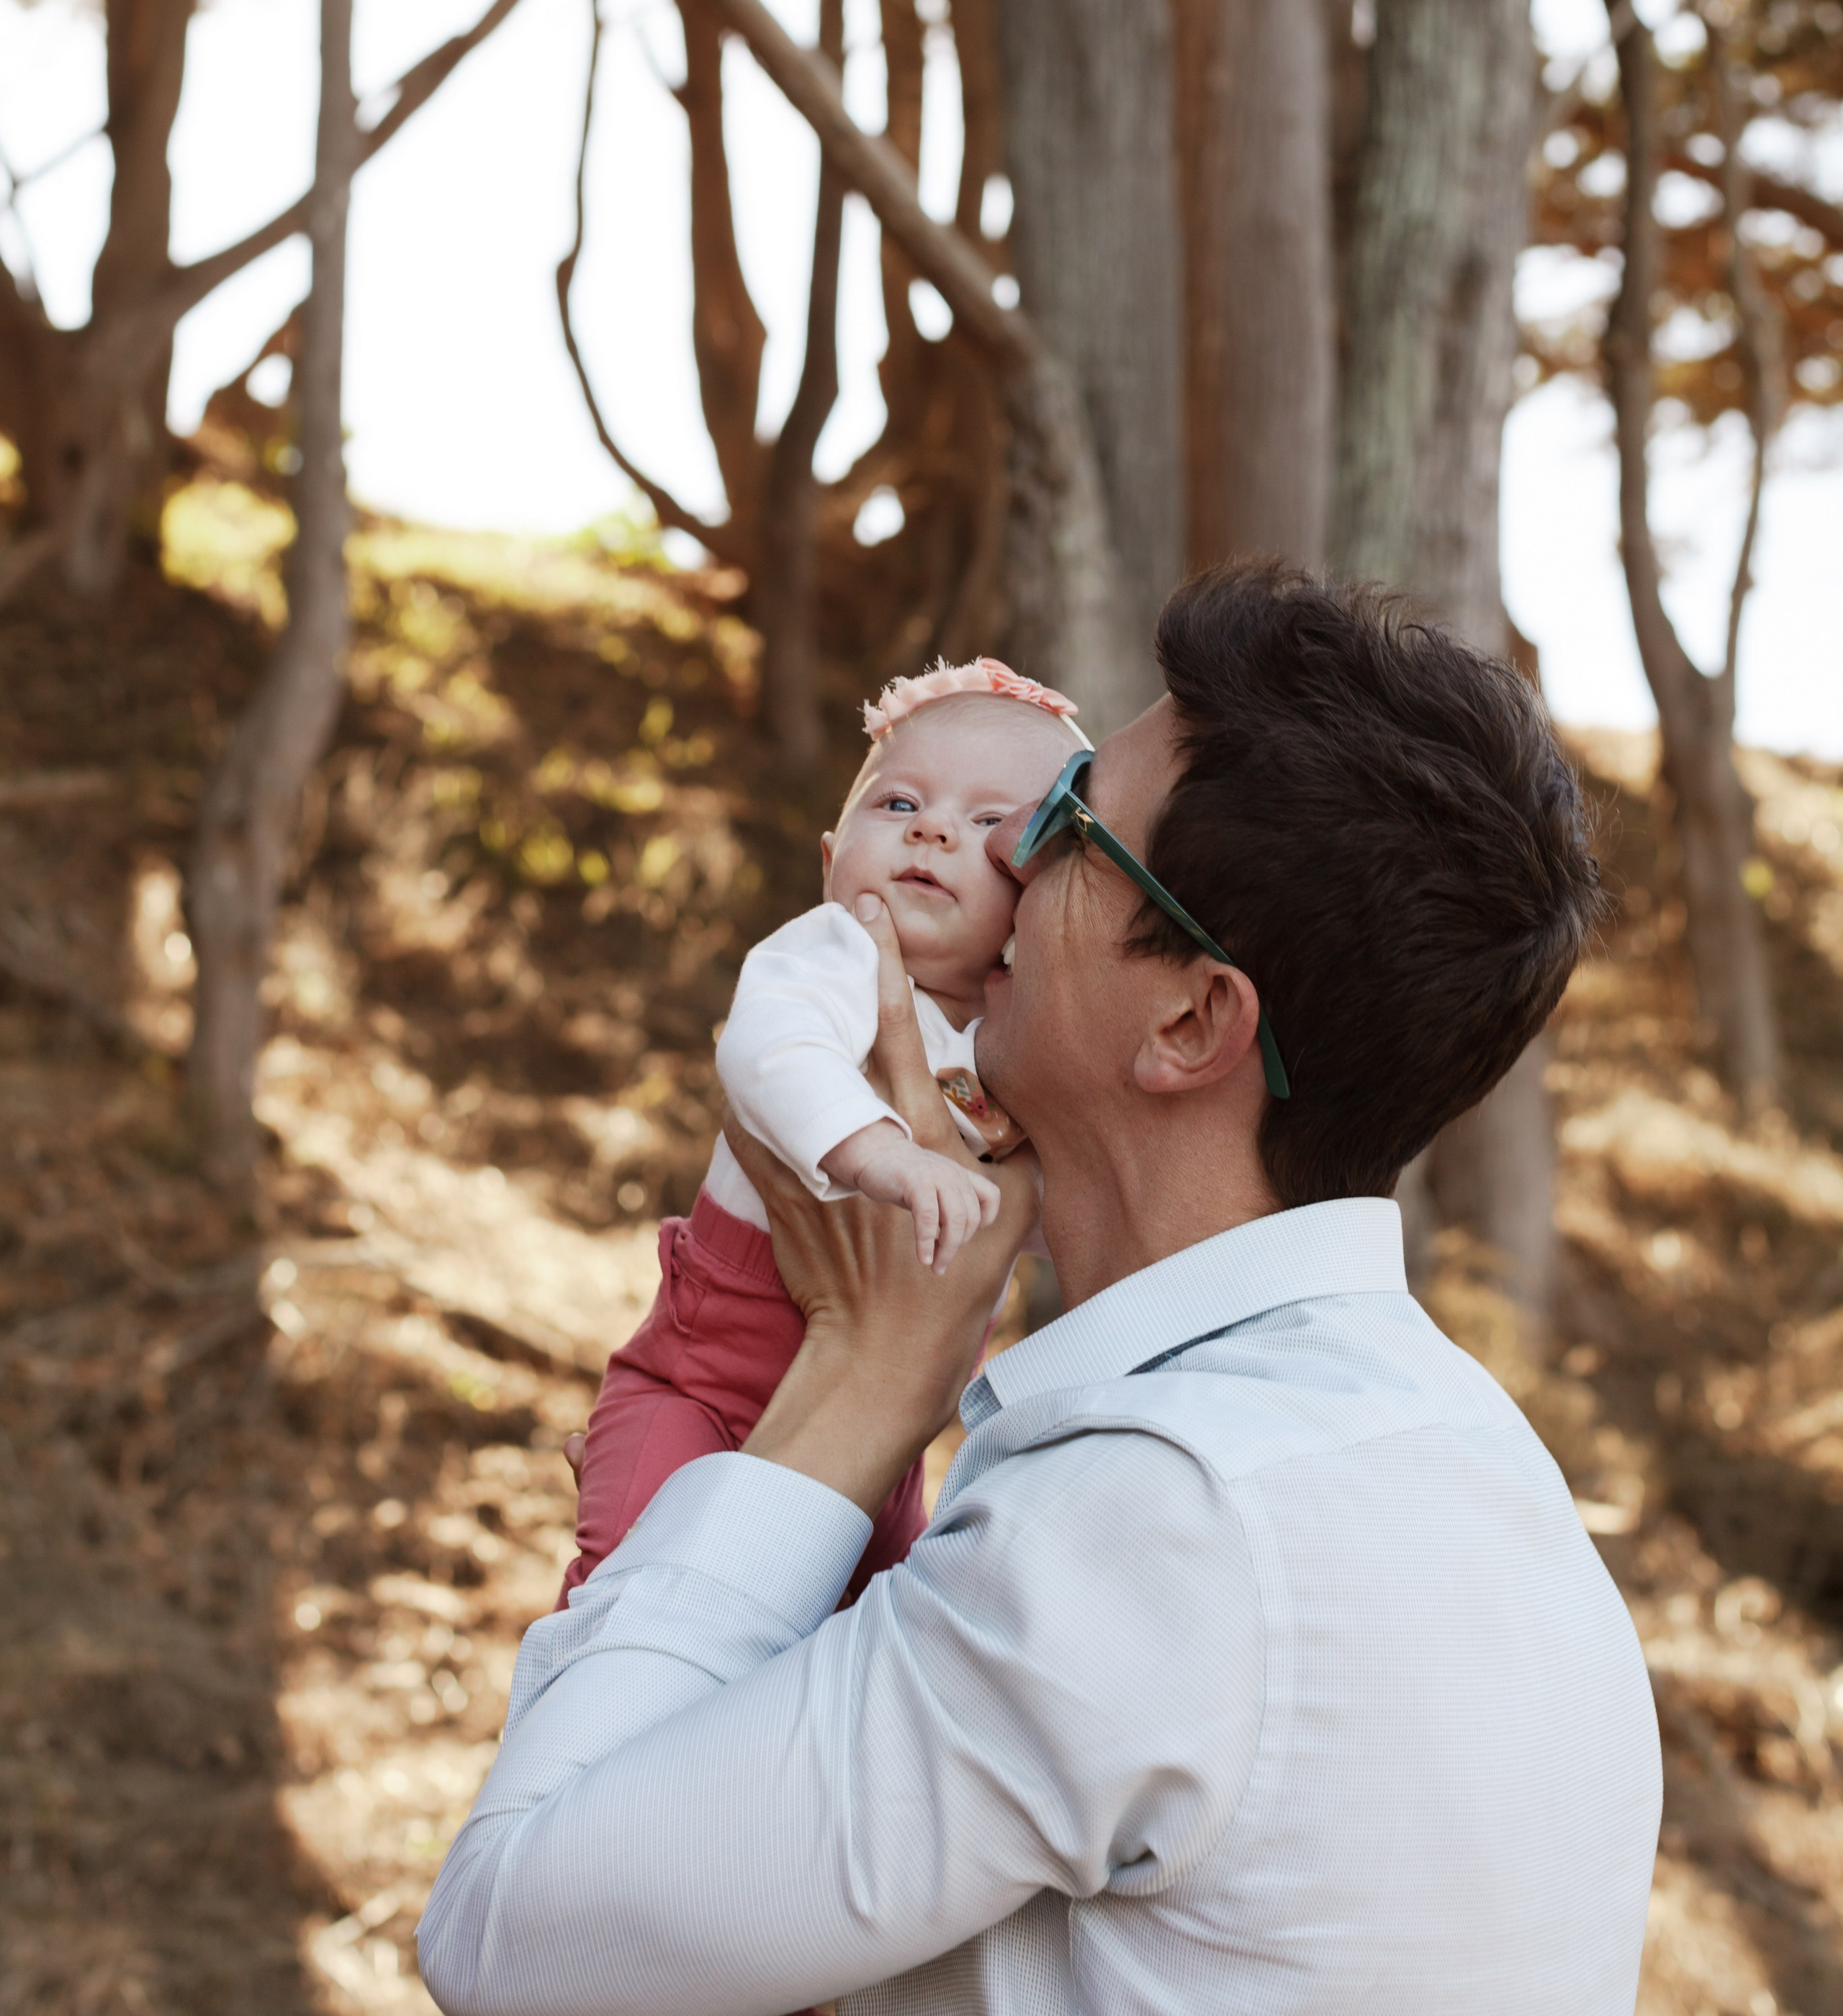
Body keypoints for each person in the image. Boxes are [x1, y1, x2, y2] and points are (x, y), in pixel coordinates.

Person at [420, 563, 1662, 2016]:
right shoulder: (1478, 1460)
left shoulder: (1158, 1522)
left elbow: (510, 1945)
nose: (1004, 852)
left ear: (1188, 1020)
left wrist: (866, 1377)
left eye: (1069, 819)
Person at [557, 659, 1080, 1609]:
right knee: (636, 1590)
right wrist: (880, 1153)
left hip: (888, 1443)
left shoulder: (1013, 1041)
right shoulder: (839, 954)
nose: (931, 830)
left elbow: (1034, 1207)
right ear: (831, 863)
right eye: (900, 804)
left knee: (864, 1633)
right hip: (703, 1386)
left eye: (986, 824)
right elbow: (771, 1049)